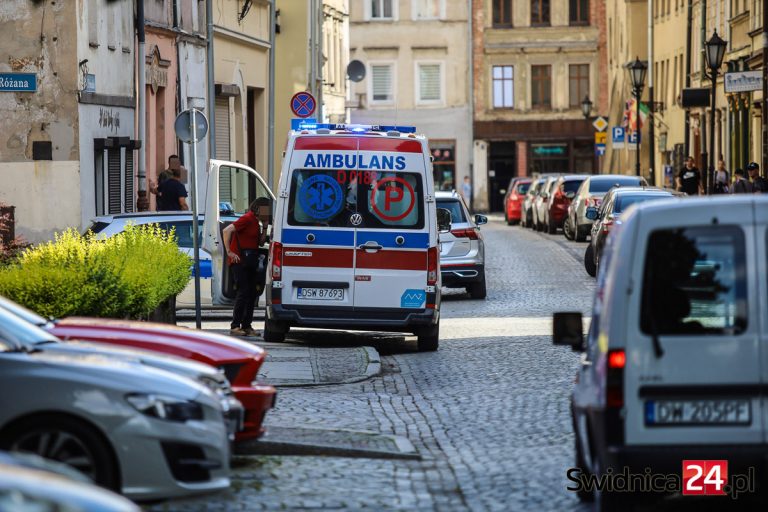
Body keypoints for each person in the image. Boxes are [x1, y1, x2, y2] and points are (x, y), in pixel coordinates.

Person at [223, 197, 271, 336]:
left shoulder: (256, 222)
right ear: (259, 208)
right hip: (239, 261)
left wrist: (265, 226)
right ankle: (235, 325)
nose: (268, 213)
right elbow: (227, 231)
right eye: (266, 210)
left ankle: (247, 325)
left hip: (250, 261)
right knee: (243, 292)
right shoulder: (247, 218)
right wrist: (229, 252)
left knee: (251, 294)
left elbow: (261, 243)